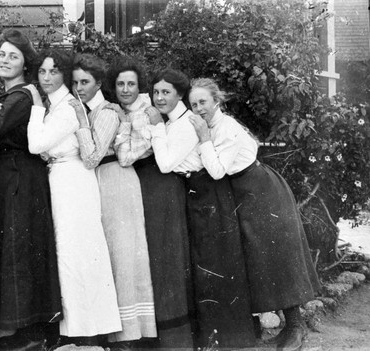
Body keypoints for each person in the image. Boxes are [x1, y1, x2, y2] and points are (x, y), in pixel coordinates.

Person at [187, 77, 321, 351]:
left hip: (261, 191)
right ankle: (280, 328)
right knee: (253, 261)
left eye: (203, 102)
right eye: (193, 103)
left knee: (276, 258)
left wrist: (203, 140)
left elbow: (216, 170)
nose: (198, 108)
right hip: (239, 195)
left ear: (217, 101)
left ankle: (296, 328)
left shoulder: (228, 128)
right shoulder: (208, 126)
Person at [147, 70, 257, 348]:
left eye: (202, 103)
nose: (198, 109)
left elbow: (166, 164)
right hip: (197, 193)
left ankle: (226, 337)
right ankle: (212, 336)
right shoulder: (190, 121)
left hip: (209, 193)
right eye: (156, 92)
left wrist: (156, 127)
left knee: (215, 264)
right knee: (204, 266)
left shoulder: (189, 125)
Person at [0, 29, 61, 347]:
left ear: (25, 64)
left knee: (19, 249)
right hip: (15, 173)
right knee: (17, 248)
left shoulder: (21, 97)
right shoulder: (13, 97)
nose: (5, 60)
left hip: (21, 176)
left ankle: (27, 332)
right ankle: (27, 328)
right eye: (2, 54)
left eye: (14, 56)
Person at [27, 49, 121, 344]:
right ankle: (77, 327)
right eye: (42, 72)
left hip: (74, 182)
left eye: (54, 71)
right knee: (68, 253)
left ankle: (86, 331)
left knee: (78, 253)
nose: (46, 77)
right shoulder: (59, 105)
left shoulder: (68, 106)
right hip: (63, 178)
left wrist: (33, 107)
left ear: (64, 74)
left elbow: (36, 144)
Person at [69, 53, 157, 349]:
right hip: (98, 184)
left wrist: (82, 122)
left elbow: (93, 157)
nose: (79, 87)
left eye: (85, 82)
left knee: (123, 256)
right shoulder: (113, 109)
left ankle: (128, 335)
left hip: (116, 180)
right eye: (75, 82)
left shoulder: (109, 112)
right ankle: (107, 328)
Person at [109, 59, 194, 349]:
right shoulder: (124, 110)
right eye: (121, 84)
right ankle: (147, 331)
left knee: (163, 254)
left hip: (160, 183)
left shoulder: (148, 112)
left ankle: (172, 336)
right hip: (142, 183)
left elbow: (130, 155)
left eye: (132, 84)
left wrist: (125, 127)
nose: (126, 89)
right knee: (145, 256)